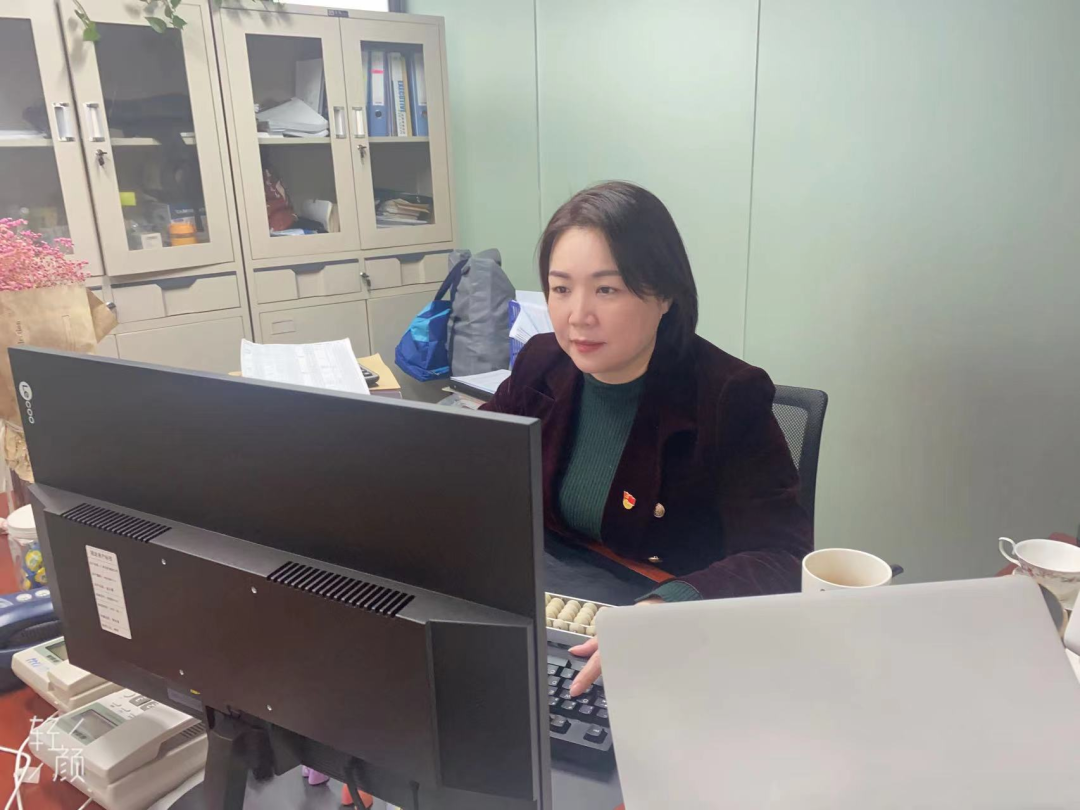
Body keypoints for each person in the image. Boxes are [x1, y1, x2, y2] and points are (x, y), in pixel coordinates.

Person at [481, 181, 812, 694]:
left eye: (607, 289)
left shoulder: (728, 394)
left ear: (664, 294)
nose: (577, 315)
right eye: (561, 288)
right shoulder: (543, 361)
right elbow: (477, 459)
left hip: (676, 629)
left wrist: (665, 610)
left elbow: (781, 556)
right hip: (558, 609)